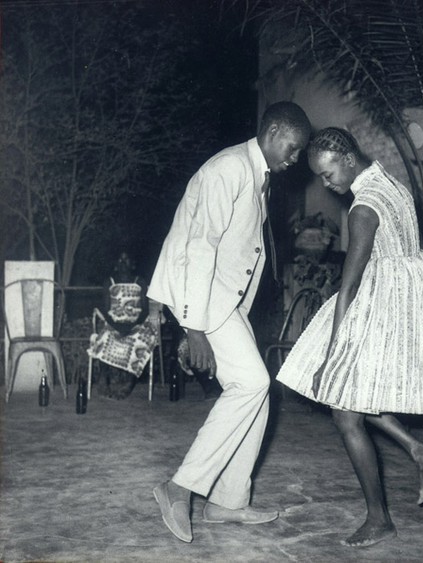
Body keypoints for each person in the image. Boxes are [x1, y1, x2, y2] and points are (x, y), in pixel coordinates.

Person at [276, 127, 423, 548]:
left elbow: (348, 286)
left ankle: (379, 518)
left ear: (349, 159)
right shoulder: (394, 185)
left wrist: (331, 356)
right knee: (355, 400)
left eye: (328, 174)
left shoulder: (363, 207)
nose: (326, 184)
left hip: (382, 307)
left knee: (344, 412)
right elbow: (421, 252)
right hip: (410, 299)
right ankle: (420, 453)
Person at [147, 101, 311, 543]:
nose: (295, 159)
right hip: (205, 300)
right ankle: (178, 487)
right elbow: (199, 246)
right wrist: (193, 327)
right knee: (253, 383)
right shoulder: (230, 168)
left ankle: (228, 502)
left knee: (256, 391)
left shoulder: (255, 174)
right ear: (273, 132)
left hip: (225, 301)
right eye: (293, 148)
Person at [88, 251, 158, 399]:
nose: (123, 263)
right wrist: (116, 326)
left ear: (133, 264)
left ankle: (129, 382)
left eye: (126, 260)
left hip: (137, 324)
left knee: (140, 340)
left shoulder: (139, 282)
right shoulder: (109, 282)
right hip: (114, 323)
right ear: (115, 265)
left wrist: (134, 325)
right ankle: (103, 379)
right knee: (105, 337)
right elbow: (106, 309)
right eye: (120, 260)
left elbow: (145, 309)